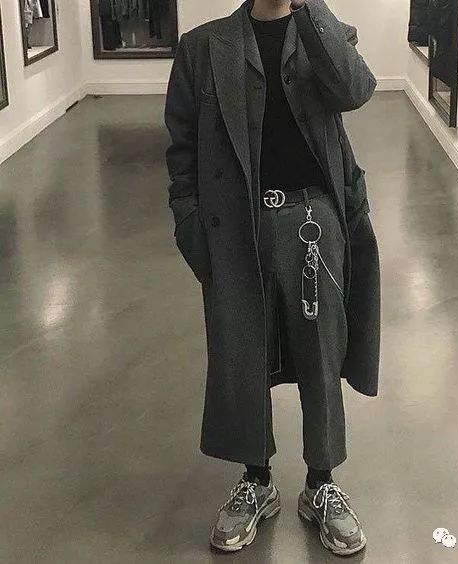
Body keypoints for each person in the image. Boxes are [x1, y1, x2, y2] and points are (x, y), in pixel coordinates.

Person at [165, 0, 380, 555]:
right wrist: (191, 227)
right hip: (234, 229)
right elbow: (181, 150)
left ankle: (322, 484)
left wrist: (310, 8)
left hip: (313, 223)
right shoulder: (202, 48)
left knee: (320, 353)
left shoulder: (325, 33)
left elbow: (356, 90)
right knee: (242, 353)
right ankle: (255, 481)